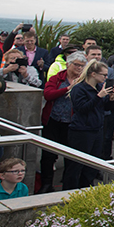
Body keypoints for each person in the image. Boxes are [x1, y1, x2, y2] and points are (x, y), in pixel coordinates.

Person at [39, 51, 85, 192]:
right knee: (48, 155)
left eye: (82, 66)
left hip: (72, 123)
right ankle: (46, 184)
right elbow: (48, 94)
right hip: (53, 121)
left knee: (71, 156)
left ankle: (68, 185)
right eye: (76, 65)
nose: (79, 68)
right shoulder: (57, 78)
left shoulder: (84, 80)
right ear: (68, 64)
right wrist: (67, 89)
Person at [67, 59, 114, 190]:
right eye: (103, 75)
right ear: (93, 74)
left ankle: (87, 188)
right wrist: (99, 97)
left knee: (92, 165)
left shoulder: (99, 88)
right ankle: (69, 191)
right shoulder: (79, 88)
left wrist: (110, 99)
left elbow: (103, 108)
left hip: (96, 129)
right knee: (76, 165)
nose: (106, 78)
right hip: (81, 130)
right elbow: (81, 108)